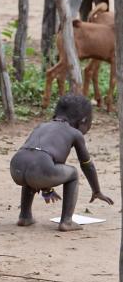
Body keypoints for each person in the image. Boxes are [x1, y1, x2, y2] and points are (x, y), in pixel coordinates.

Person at [9, 92, 114, 231]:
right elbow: (87, 165)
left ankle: (25, 216)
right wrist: (96, 190)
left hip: (16, 166)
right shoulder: (74, 133)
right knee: (73, 173)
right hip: (39, 168)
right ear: (83, 121)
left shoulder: (41, 126)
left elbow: (38, 156)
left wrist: (46, 187)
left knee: (32, 166)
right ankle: (66, 221)